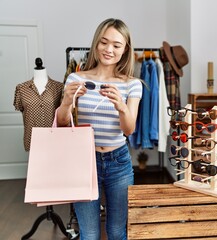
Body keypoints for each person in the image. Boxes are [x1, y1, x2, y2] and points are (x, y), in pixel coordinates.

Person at [57, 18, 143, 240]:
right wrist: (66, 103)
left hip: (118, 163)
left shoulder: (131, 84)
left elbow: (129, 130)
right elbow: (63, 123)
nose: (109, 49)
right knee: (90, 233)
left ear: (125, 50)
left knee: (116, 231)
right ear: (96, 44)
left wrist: (121, 107)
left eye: (116, 45)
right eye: (104, 42)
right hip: (84, 161)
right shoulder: (76, 78)